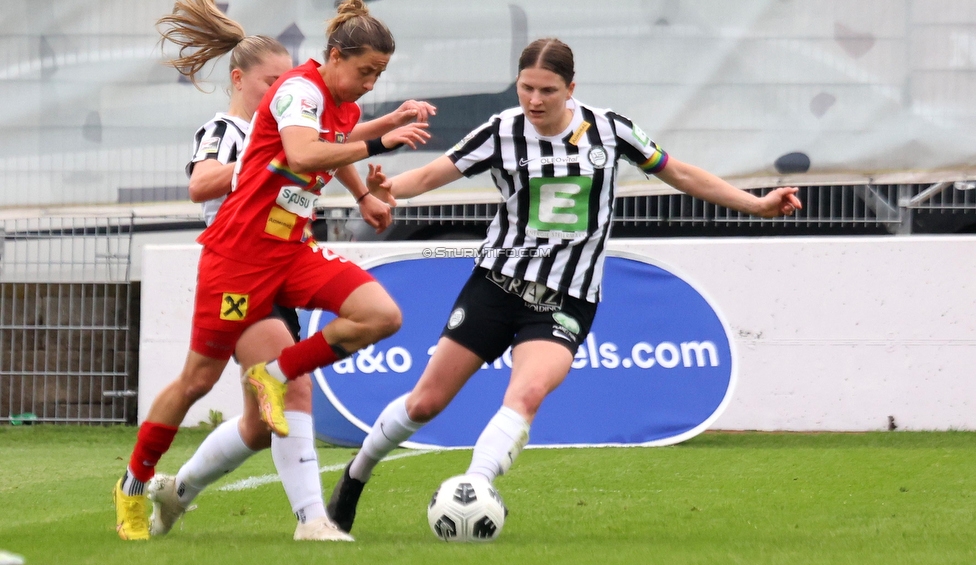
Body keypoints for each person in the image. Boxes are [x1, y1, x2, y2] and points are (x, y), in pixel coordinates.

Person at [325, 37, 802, 533]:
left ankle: (474, 488)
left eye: (547, 90)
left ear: (571, 88)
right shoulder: (501, 131)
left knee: (527, 392)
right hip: (496, 285)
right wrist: (383, 191)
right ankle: (355, 477)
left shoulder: (611, 131)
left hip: (566, 299)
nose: (534, 100)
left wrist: (757, 203)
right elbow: (427, 177)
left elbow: (680, 173)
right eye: (526, 88)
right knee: (426, 401)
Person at [113, 0, 434, 542]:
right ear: (335, 57)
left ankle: (281, 402)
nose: (371, 83)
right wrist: (380, 142)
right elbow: (308, 153)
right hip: (238, 258)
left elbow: (332, 143)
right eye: (367, 71)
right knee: (198, 379)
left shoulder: (339, 102)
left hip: (291, 251)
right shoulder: (297, 93)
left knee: (381, 315)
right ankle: (135, 485)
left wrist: (365, 192)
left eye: (379, 74)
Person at [135, 0, 348, 543]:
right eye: (270, 81)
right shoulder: (228, 131)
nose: (283, 90)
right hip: (239, 271)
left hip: (282, 269)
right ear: (239, 79)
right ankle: (313, 521)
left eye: (287, 80)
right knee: (290, 385)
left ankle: (177, 492)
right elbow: (202, 183)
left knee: (257, 425)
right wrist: (261, 165)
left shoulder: (290, 130)